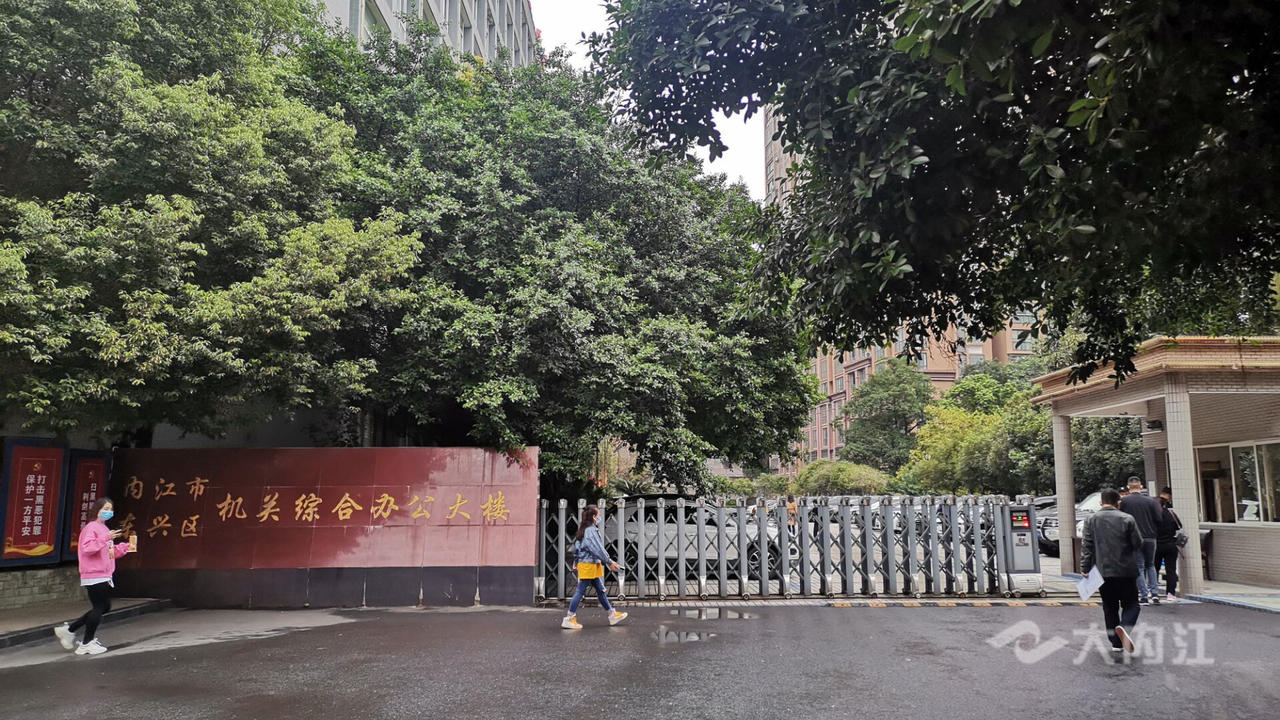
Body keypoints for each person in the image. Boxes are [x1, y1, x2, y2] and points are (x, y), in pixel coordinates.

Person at [53, 497, 133, 655]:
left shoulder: (103, 528)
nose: (108, 512)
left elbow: (109, 553)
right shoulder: (91, 528)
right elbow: (88, 549)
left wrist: (124, 548)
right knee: (100, 607)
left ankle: (69, 630)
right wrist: (106, 537)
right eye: (105, 509)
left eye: (110, 509)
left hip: (103, 574)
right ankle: (86, 643)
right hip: (94, 574)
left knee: (104, 606)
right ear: (97, 510)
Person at [1081, 488, 1144, 655]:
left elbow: (1087, 546)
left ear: (1101, 502)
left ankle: (1116, 643)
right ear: (1119, 503)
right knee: (1132, 604)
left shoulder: (1091, 520)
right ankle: (1124, 627)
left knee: (1109, 606)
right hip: (1126, 570)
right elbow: (1138, 543)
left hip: (1102, 571)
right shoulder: (1127, 519)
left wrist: (1085, 568)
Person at [561, 505, 627, 630]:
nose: (600, 517)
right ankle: (569, 618)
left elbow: (577, 547)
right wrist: (609, 562)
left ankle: (612, 614)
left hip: (590, 564)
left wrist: (576, 560)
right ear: (593, 517)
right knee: (580, 591)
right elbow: (597, 549)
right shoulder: (591, 531)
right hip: (589, 565)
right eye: (598, 515)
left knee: (600, 590)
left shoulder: (584, 529)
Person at [1118, 477, 1162, 604]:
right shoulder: (1151, 501)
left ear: (1128, 487)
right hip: (1150, 537)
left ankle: (1144, 596)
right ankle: (1155, 594)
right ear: (1141, 487)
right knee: (1151, 565)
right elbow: (1159, 519)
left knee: (1139, 567)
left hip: (1134, 538)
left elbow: (1120, 519)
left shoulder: (1124, 502)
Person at [1155, 493, 1183, 601]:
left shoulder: (1153, 516)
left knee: (1154, 569)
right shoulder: (1171, 514)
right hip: (1171, 544)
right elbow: (1179, 526)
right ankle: (1171, 593)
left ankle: (1154, 592)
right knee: (1171, 569)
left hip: (1157, 545)